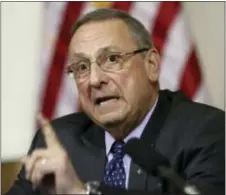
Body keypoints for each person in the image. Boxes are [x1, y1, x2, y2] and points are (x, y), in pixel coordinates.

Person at [7, 8, 224, 195]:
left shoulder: (208, 132)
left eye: (112, 59)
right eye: (82, 67)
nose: (94, 80)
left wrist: (80, 193)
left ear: (152, 65)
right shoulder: (62, 141)